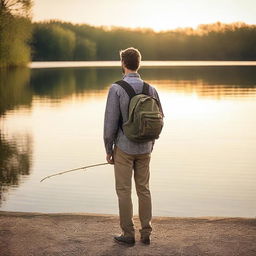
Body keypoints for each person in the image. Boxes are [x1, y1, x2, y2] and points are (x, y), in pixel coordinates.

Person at [103, 47, 163, 245]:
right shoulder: (150, 89)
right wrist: (151, 143)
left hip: (124, 148)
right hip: (145, 148)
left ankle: (128, 234)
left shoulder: (116, 88)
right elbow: (159, 119)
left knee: (123, 191)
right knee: (144, 189)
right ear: (139, 63)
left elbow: (110, 123)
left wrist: (108, 149)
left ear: (123, 63)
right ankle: (146, 233)